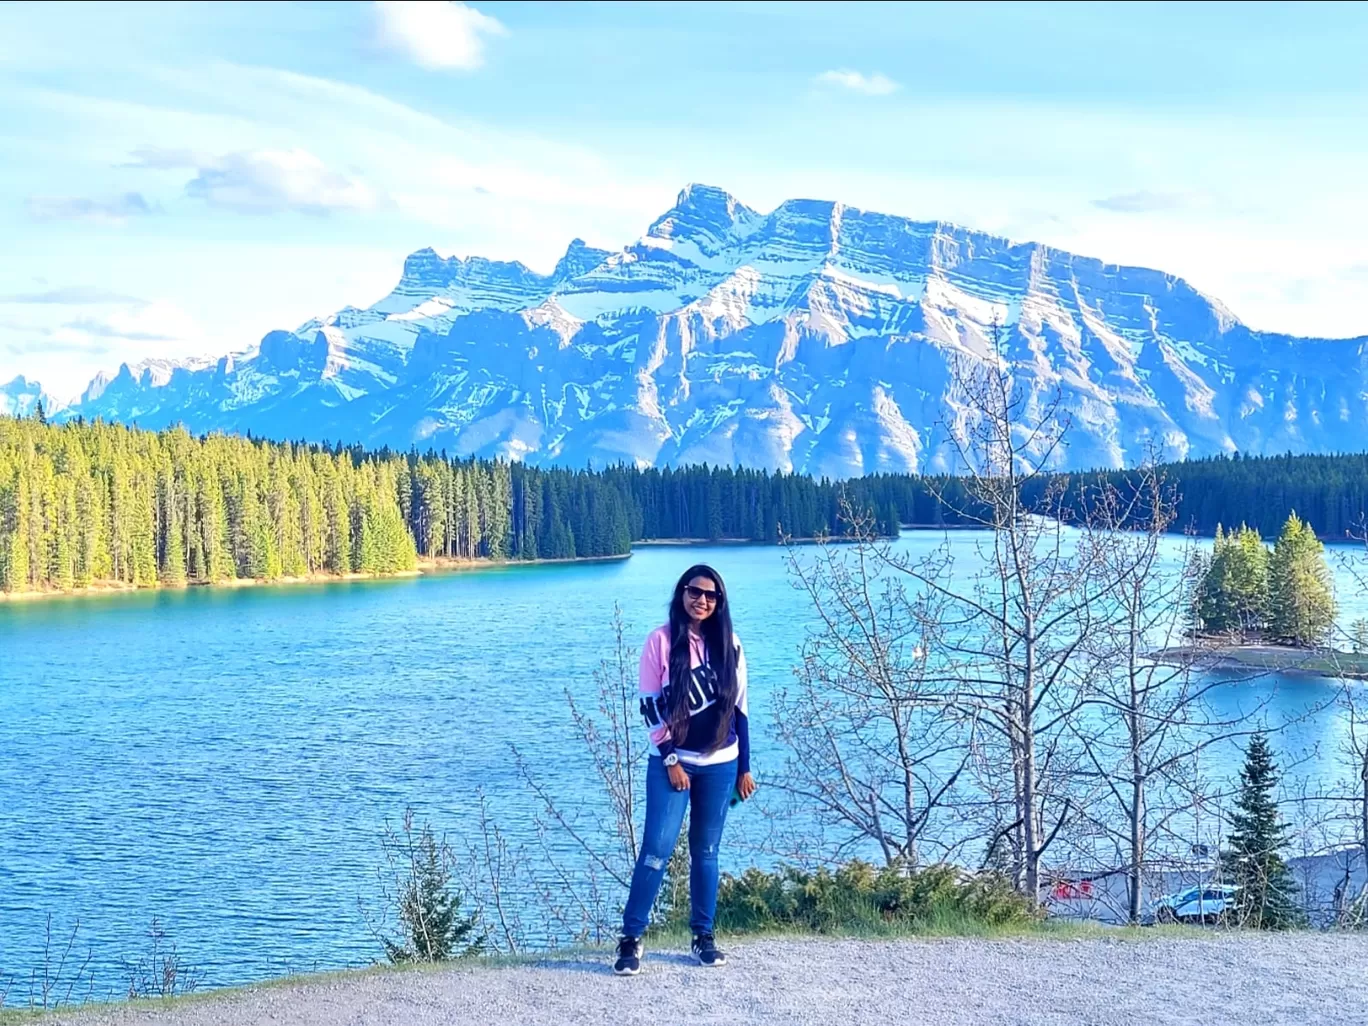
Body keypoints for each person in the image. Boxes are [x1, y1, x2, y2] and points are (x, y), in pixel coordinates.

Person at [613, 563, 756, 976]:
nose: (702, 601)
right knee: (656, 851)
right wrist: (671, 758)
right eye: (695, 592)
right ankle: (631, 938)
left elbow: (741, 710)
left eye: (711, 596)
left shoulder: (730, 644)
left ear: (719, 602)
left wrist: (745, 766)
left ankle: (703, 936)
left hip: (721, 765)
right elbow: (650, 707)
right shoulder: (659, 641)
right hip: (671, 765)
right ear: (682, 593)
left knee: (706, 853)